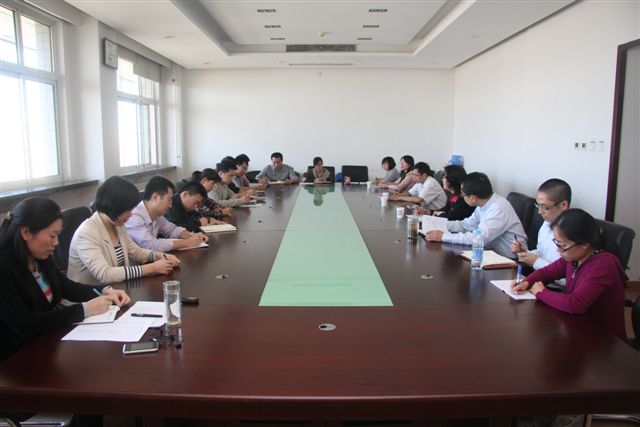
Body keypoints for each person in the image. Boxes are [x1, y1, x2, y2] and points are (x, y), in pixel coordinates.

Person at [0, 197, 130, 361]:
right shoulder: (4, 268)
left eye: (58, 235)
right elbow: (23, 323)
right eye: (52, 236)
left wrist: (105, 290)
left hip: (47, 344)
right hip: (17, 356)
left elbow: (66, 287)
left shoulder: (39, 258)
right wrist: (84, 309)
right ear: (26, 233)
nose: (56, 243)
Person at [512, 209, 627, 341]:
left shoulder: (604, 264)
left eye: (562, 245)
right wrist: (526, 282)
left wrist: (541, 292)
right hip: (577, 328)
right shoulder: (574, 256)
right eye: (556, 242)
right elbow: (548, 272)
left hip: (603, 339)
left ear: (584, 244)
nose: (558, 250)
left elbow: (576, 304)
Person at [68, 176, 180, 285]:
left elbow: (135, 252)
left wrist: (158, 255)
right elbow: (105, 274)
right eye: (128, 210)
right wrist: (152, 268)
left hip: (116, 289)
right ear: (115, 206)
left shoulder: (117, 224)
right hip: (90, 294)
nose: (131, 215)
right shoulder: (87, 233)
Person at [424, 172, 526, 258]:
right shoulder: (484, 203)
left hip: (510, 260)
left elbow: (478, 239)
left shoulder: (499, 208)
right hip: (491, 254)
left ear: (473, 198)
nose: (462, 197)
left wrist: (443, 237)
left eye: (463, 195)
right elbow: (467, 224)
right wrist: (439, 225)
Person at [125, 176, 209, 251]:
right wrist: (187, 243)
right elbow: (150, 244)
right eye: (169, 200)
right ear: (155, 197)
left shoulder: (157, 215)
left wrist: (193, 236)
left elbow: (172, 229)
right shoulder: (134, 215)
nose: (170, 205)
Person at [511, 179, 571, 271]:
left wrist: (537, 262)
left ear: (563, 205)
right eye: (538, 205)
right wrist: (525, 253)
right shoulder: (547, 223)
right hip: (539, 275)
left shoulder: (573, 232)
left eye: (544, 207)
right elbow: (541, 253)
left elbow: (567, 275)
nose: (539, 212)